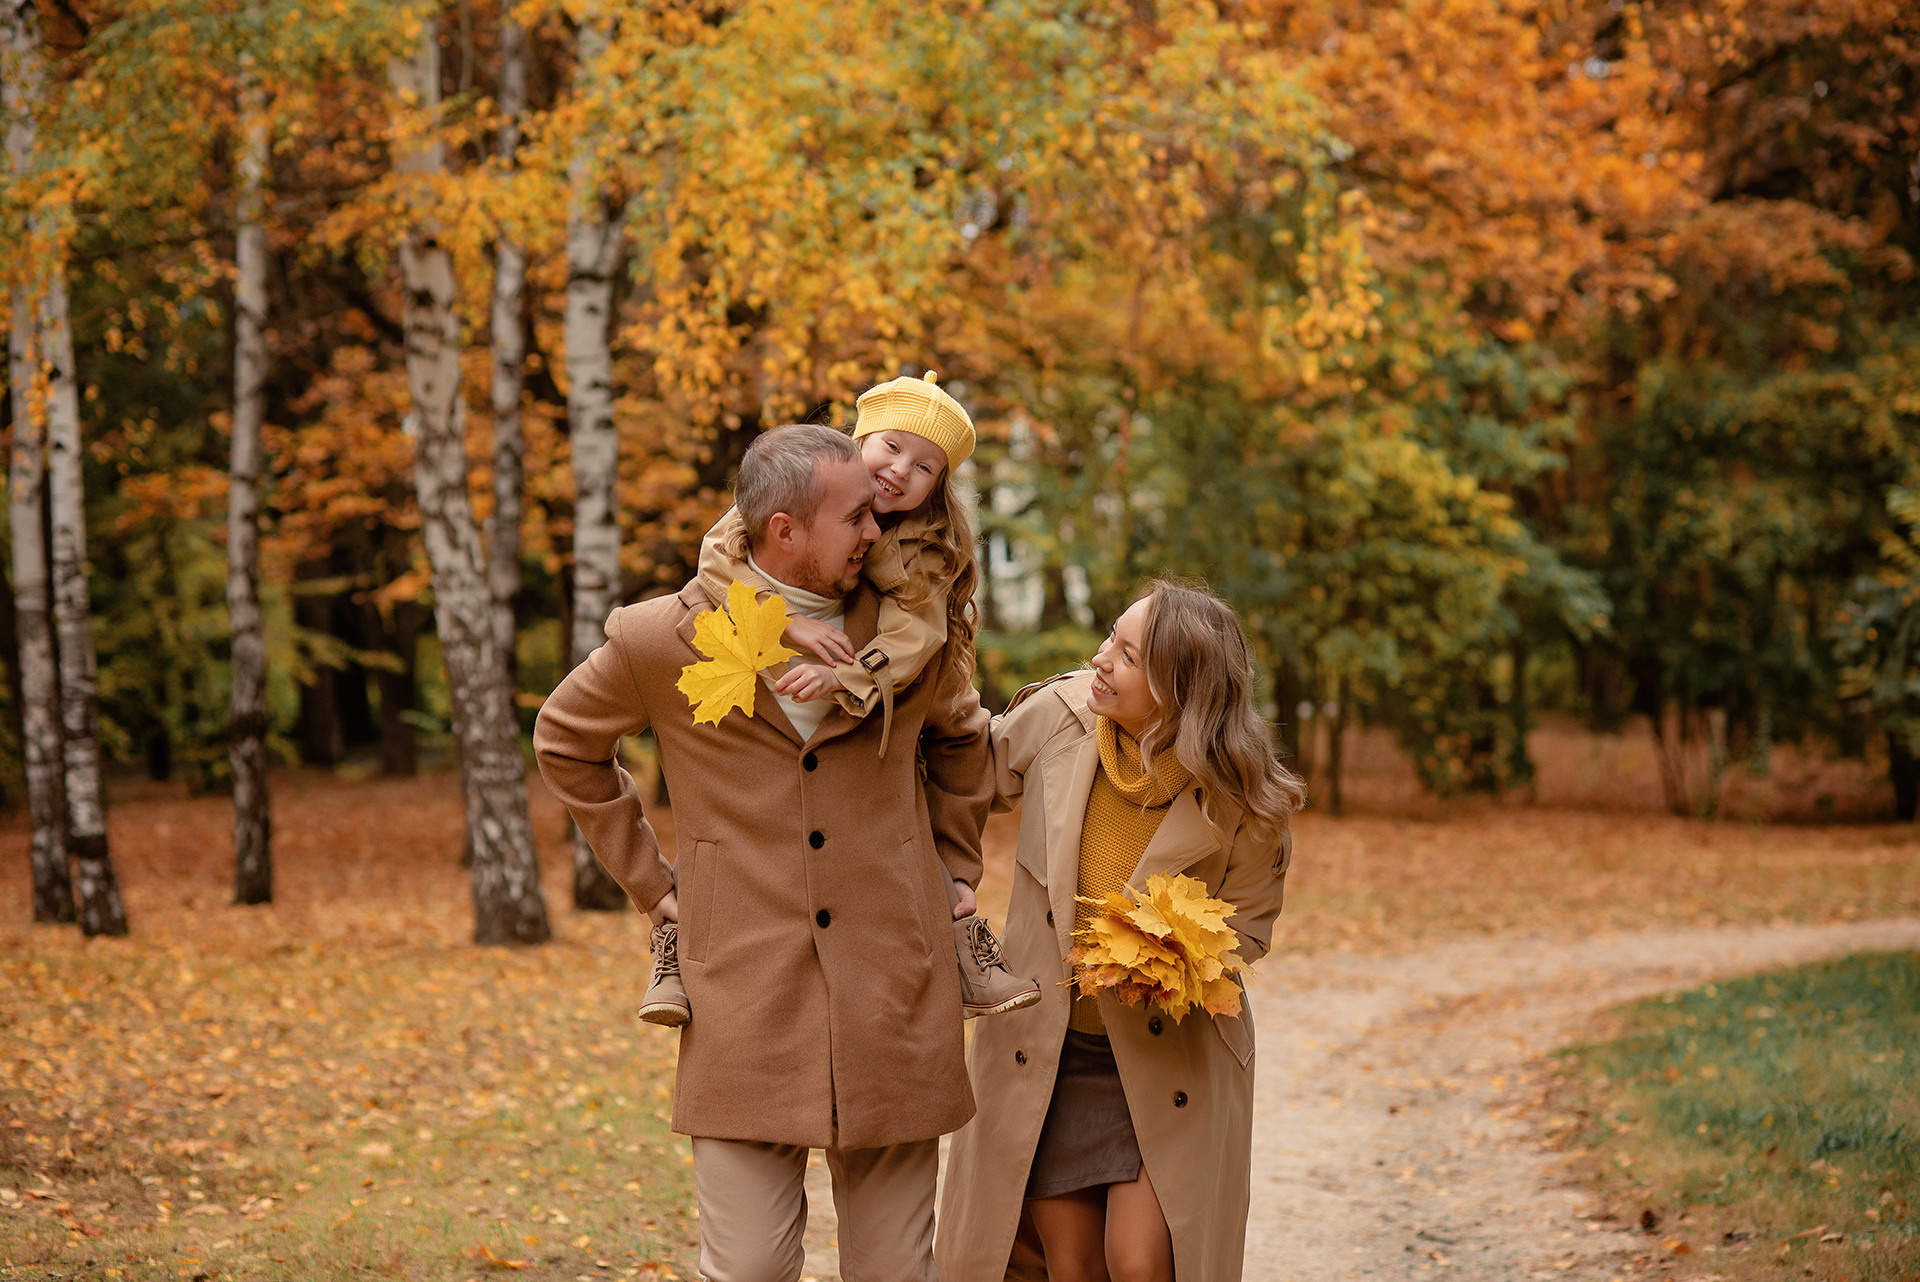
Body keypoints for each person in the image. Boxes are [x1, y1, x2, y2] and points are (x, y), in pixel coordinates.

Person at [534, 424, 992, 1282]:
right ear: (786, 531)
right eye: (855, 515)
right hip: (742, 997)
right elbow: (563, 740)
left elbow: (964, 743)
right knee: (745, 1270)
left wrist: (954, 867)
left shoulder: (908, 636)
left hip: (894, 986)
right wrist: (651, 883)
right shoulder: (659, 638)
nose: (875, 531)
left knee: (898, 1271)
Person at [632, 371, 1039, 1027]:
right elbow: (718, 555)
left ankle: (965, 947)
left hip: (880, 689)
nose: (901, 472)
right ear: (858, 439)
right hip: (771, 673)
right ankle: (674, 949)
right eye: (891, 448)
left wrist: (851, 677)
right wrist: (783, 622)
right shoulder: (799, 485)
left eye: (926, 466)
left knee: (901, 823)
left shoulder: (925, 546)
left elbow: (916, 633)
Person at [938, 581, 1305, 1282]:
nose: (1100, 658)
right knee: (1070, 1267)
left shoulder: (1242, 793)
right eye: (1111, 637)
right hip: (1050, 1056)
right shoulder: (1060, 717)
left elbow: (1249, 928)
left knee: (1138, 1263)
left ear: (1176, 688)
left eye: (1127, 654)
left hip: (1170, 1059)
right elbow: (963, 776)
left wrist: (1179, 952)